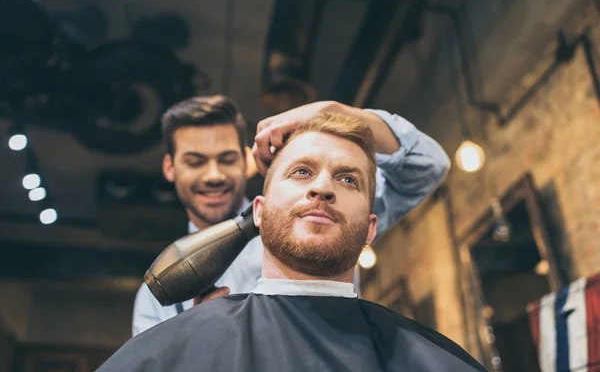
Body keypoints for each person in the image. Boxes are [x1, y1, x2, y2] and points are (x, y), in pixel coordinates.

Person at [101, 112, 483, 372]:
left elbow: (427, 162)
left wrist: (333, 109)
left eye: (348, 179)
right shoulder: (172, 340)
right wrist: (204, 342)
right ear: (260, 213)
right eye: (302, 171)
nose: (322, 187)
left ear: (370, 228)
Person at [132, 95, 451, 336]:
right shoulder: (158, 290)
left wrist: (338, 112)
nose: (213, 175)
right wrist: (194, 343)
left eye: (226, 158)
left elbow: (428, 164)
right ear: (170, 168)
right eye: (195, 161)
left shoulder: (317, 214)